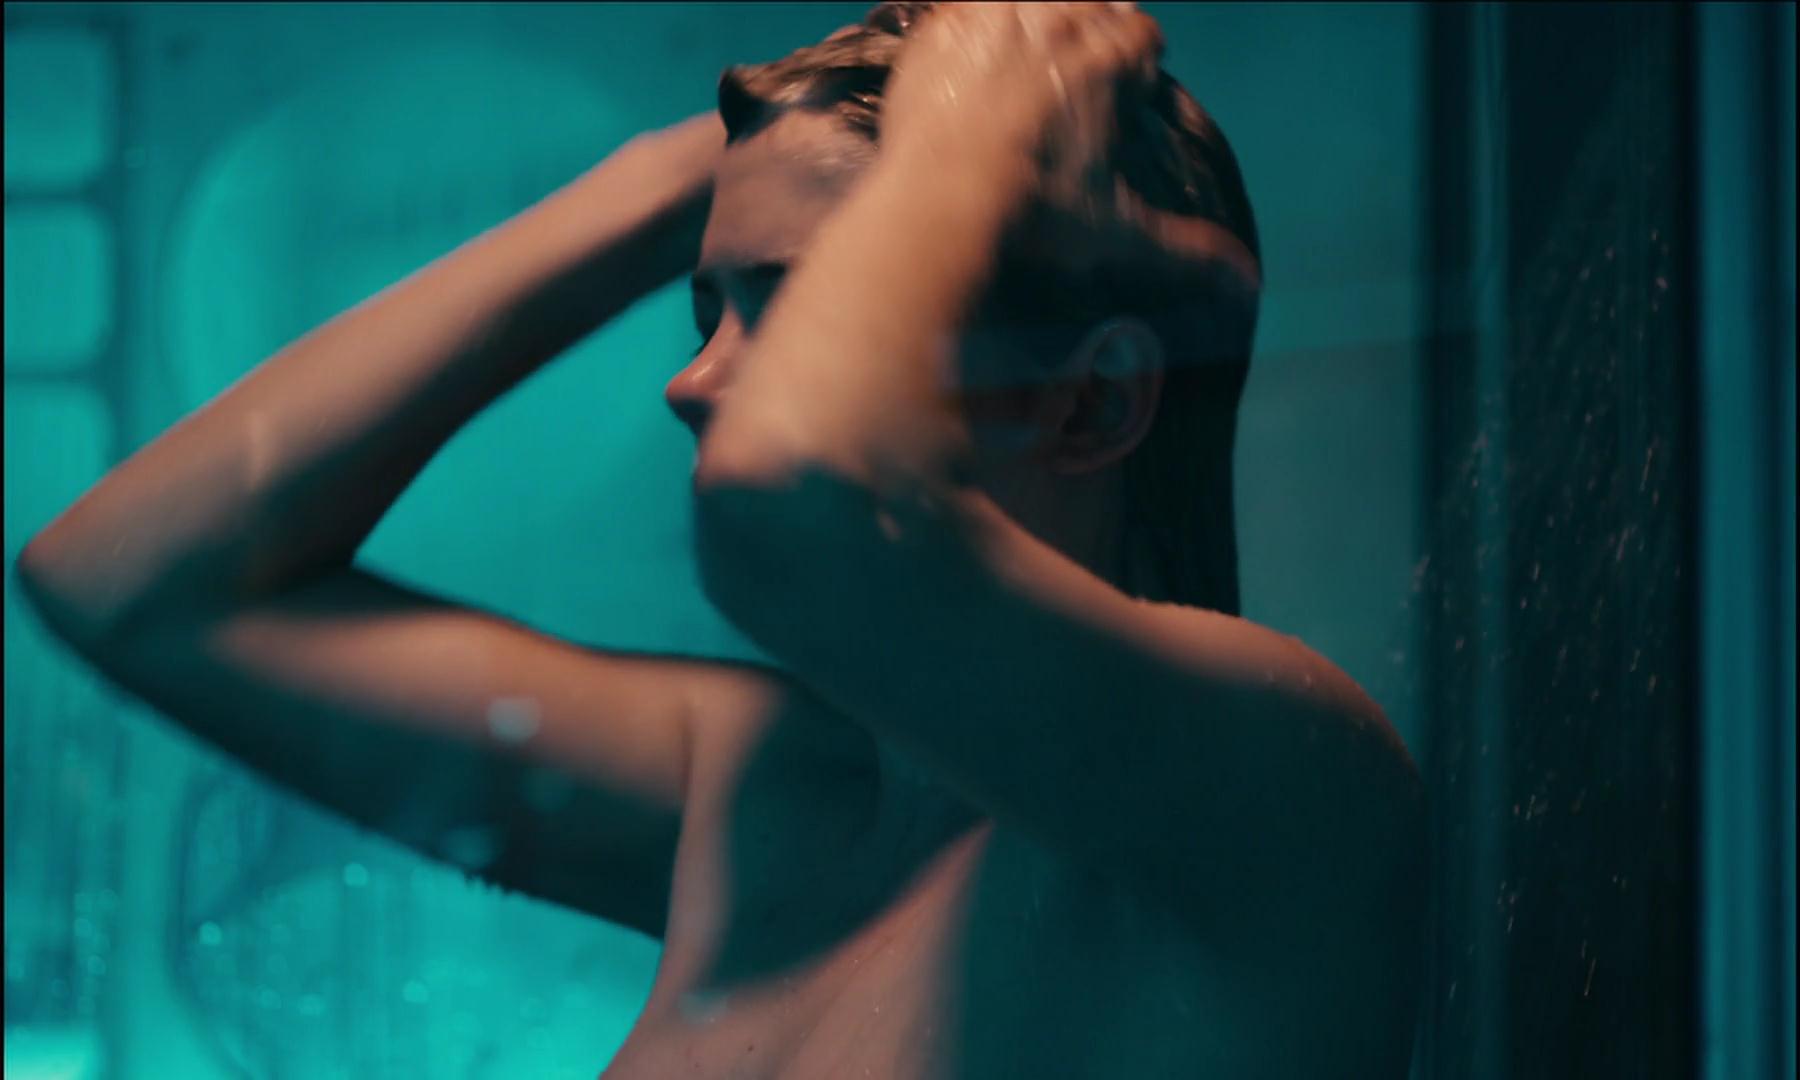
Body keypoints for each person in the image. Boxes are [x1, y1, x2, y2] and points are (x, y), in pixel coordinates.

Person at [14, 3, 1427, 1076]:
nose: (691, 385)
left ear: (1095, 399)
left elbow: (796, 501)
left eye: (798, 306)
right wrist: (667, 180)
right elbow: (130, 582)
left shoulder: (1273, 777)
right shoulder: (761, 793)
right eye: (709, 310)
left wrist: (968, 148)